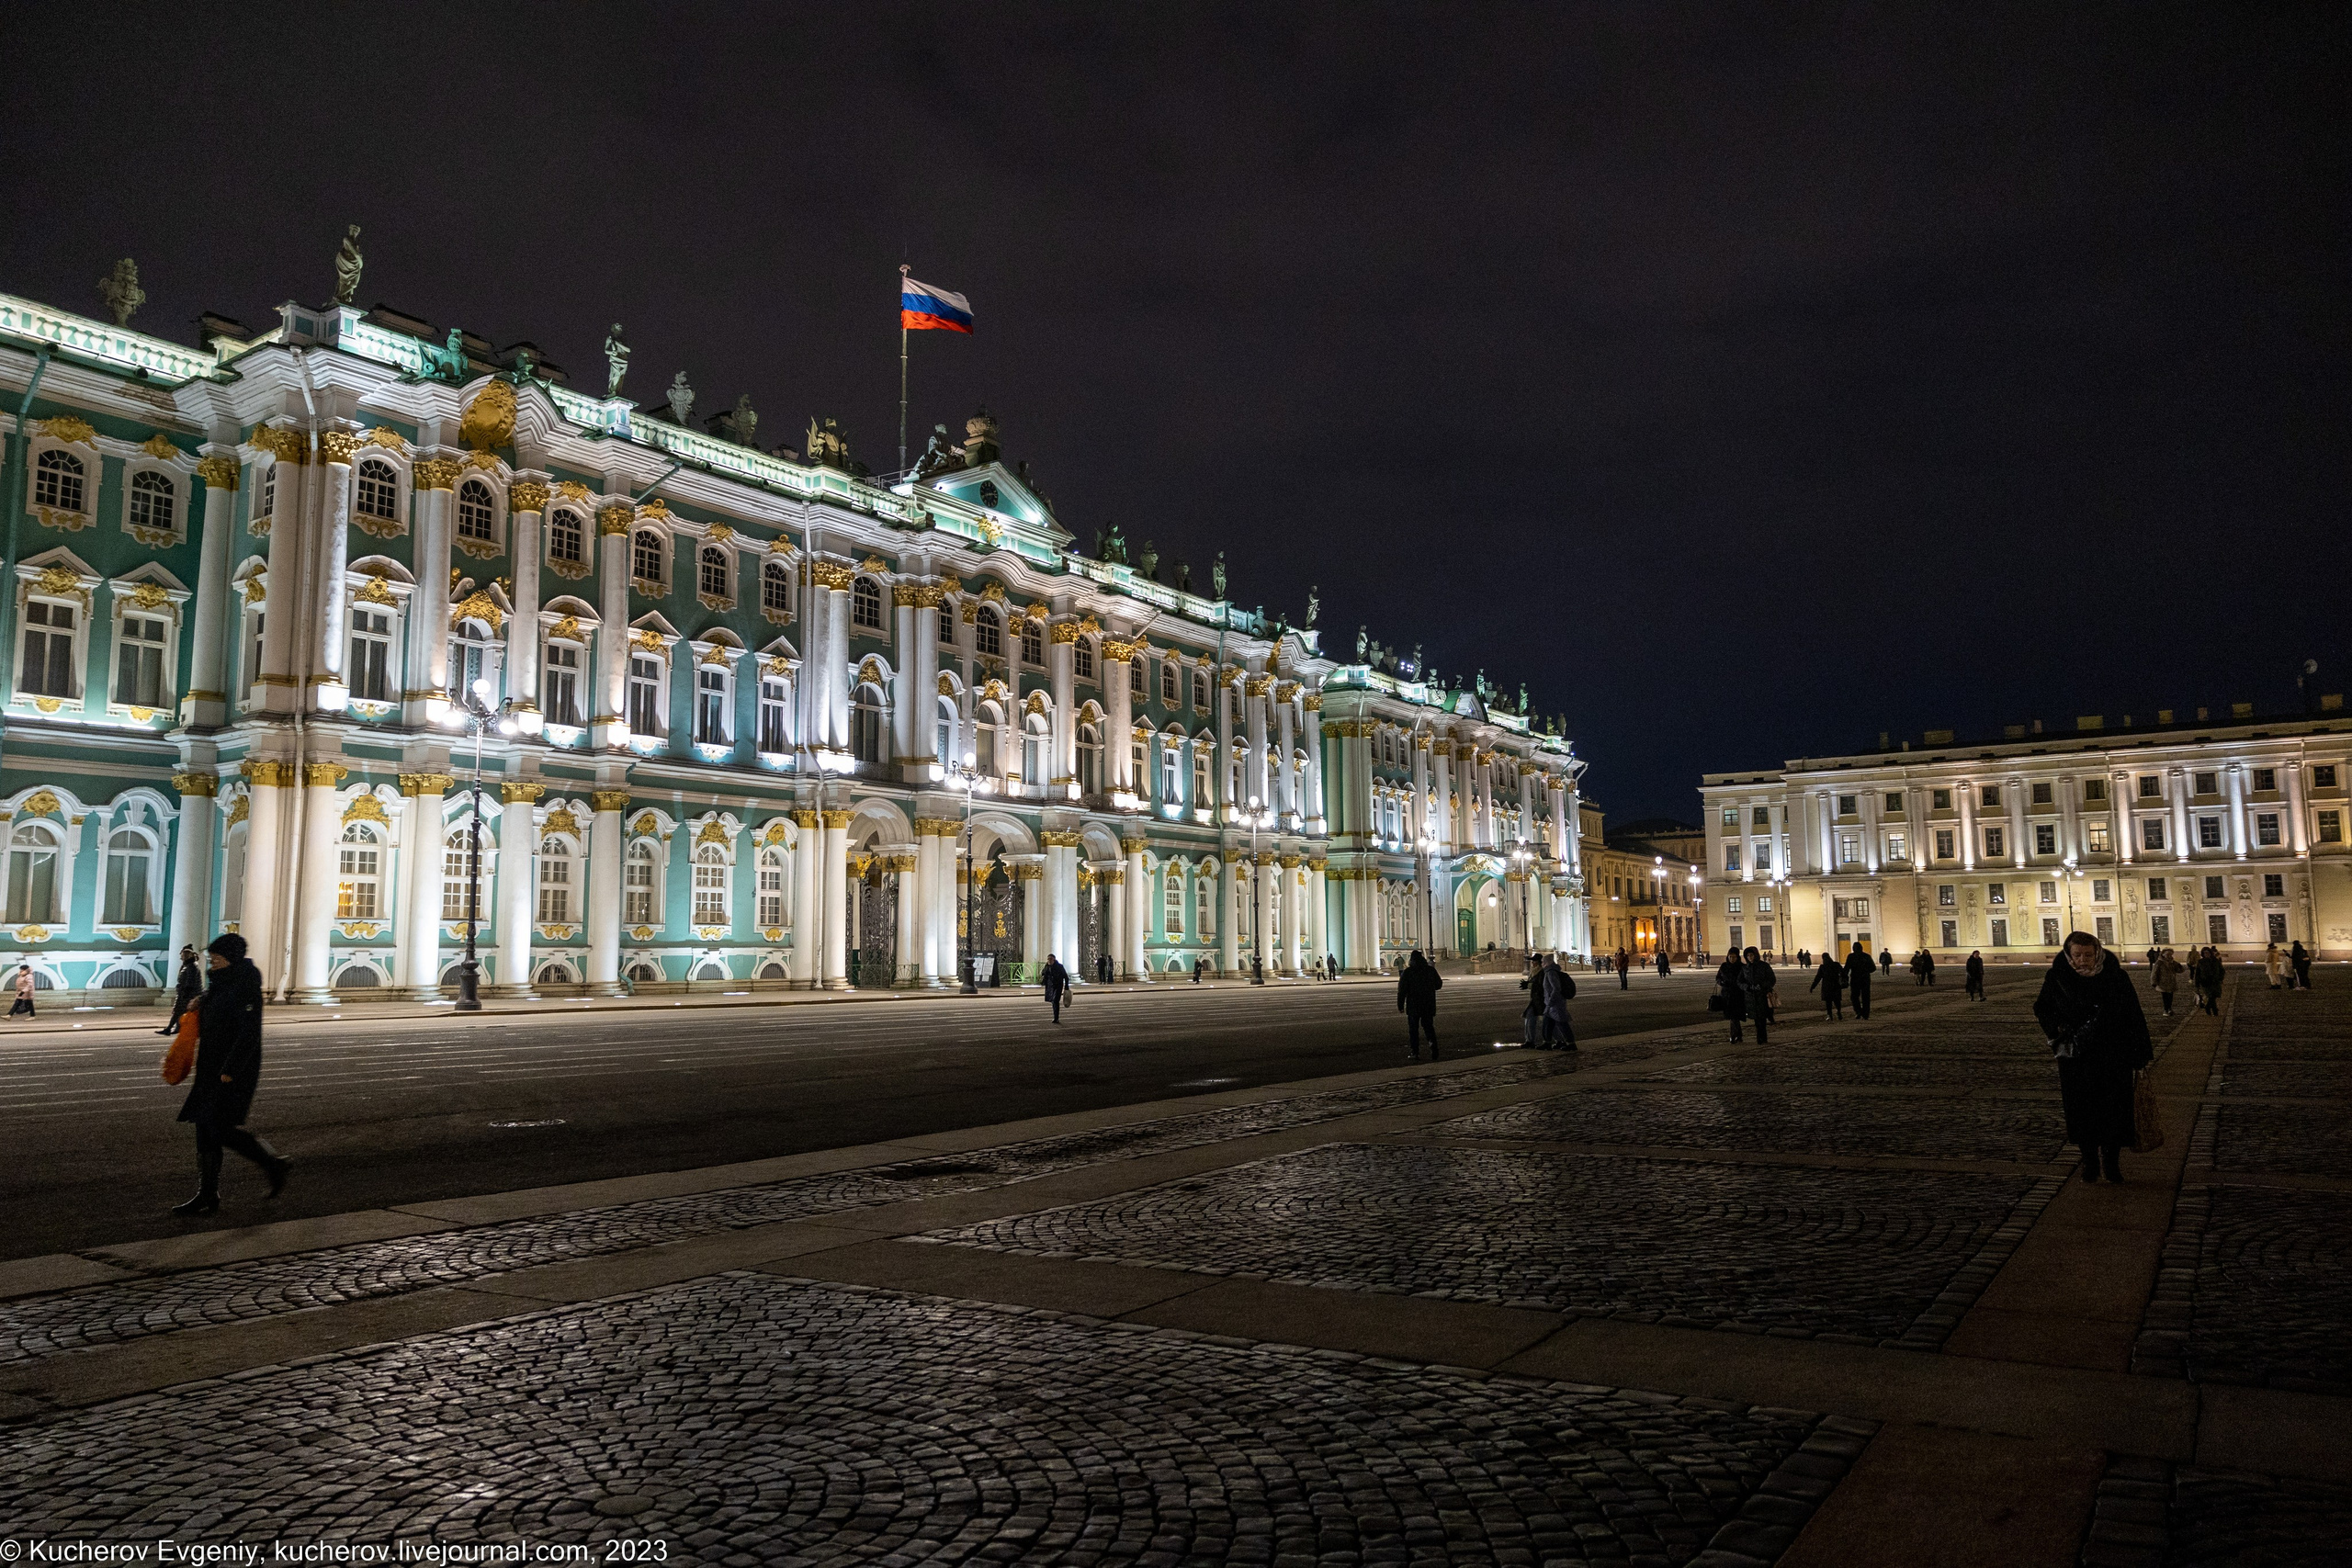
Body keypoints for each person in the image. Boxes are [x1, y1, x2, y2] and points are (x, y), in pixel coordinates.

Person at [172, 933, 288, 1216]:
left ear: (232, 959)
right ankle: (207, 1194)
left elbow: (249, 1032)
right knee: (204, 1126)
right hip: (211, 1066)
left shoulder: (246, 983)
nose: (212, 963)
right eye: (212, 958)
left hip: (231, 1071)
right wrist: (201, 1001)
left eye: (217, 959)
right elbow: (219, 1001)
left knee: (218, 1128)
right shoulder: (222, 981)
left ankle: (273, 1164)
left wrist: (231, 1071)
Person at [2034, 931, 2154, 1184]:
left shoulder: (2115, 976)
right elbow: (2042, 1007)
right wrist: (2057, 1029)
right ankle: (2089, 1162)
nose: (2083, 960)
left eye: (2088, 955)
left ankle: (2112, 1164)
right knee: (2082, 1110)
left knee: (2114, 1110)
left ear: (2097, 953)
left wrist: (2141, 1050)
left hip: (2114, 1054)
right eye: (2077, 955)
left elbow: (2133, 1013)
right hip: (2077, 1057)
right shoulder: (2057, 977)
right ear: (2069, 954)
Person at [1397, 949, 1442, 1059]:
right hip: (1428, 1004)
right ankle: (1433, 1048)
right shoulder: (1430, 970)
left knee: (1413, 1029)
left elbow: (1402, 990)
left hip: (1414, 1005)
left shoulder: (1408, 972)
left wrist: (1400, 1005)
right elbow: (1439, 985)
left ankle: (1415, 1052)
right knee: (1428, 1027)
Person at [157, 944, 202, 1035]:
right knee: (179, 1011)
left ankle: (169, 1029)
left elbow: (190, 981)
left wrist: (185, 993)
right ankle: (177, 1028)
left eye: (182, 955)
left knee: (178, 1011)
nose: (180, 957)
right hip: (185, 993)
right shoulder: (189, 965)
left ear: (186, 956)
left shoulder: (191, 966)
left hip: (187, 994)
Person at [1540, 954, 1577, 1049]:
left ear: (1547, 963)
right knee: (1547, 1022)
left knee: (1561, 1023)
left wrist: (1551, 1001)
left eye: (1543, 962)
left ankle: (1571, 1043)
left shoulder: (1550, 973)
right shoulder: (1551, 971)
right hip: (1552, 1002)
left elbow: (1556, 988)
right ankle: (1547, 1042)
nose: (1542, 964)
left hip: (1555, 1003)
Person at [1743, 945, 1777, 1044]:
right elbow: (1740, 981)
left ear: (1755, 955)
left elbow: (1772, 979)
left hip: (1763, 996)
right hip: (1751, 997)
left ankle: (1762, 1038)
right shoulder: (1745, 968)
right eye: (1748, 955)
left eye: (1751, 955)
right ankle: (1761, 1037)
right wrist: (1748, 987)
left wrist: (1762, 986)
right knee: (1756, 1019)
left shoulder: (1764, 966)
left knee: (1762, 1019)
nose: (1750, 957)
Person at [1714, 950, 1748, 1042]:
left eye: (1734, 957)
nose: (1732, 959)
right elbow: (1718, 977)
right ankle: (1738, 1035)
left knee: (1734, 1016)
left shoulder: (1741, 967)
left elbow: (1745, 980)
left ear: (1737, 957)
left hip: (1738, 995)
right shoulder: (1724, 966)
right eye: (1730, 957)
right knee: (1733, 1017)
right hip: (1727, 995)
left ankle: (1733, 1036)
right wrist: (1721, 982)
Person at [1809, 950, 1845, 1019]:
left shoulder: (1823, 967)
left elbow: (1818, 978)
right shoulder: (1836, 964)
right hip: (1835, 985)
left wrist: (1813, 987)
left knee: (1828, 1001)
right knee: (1837, 1000)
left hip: (1827, 986)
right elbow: (1843, 973)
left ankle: (1830, 1014)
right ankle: (1838, 1012)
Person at [1845, 944, 1875, 1019]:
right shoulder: (1866, 956)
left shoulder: (1851, 956)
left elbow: (1847, 968)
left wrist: (1844, 976)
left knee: (1854, 996)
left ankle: (1858, 1011)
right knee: (1865, 997)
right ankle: (1865, 1014)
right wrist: (1866, 971)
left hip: (1855, 979)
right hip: (1865, 979)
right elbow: (1873, 968)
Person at [1041, 953, 1070, 1022]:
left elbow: (1066, 977)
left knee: (1055, 1001)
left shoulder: (1059, 967)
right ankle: (1055, 1017)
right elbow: (1043, 974)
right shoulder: (1047, 967)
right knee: (1053, 1001)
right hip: (1050, 986)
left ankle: (1056, 1018)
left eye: (1051, 959)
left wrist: (1066, 986)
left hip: (1058, 986)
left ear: (1054, 959)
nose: (1049, 960)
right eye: (1048, 959)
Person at [2193, 945, 2223, 1015]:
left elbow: (2222, 970)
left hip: (2215, 982)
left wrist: (2220, 978)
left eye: (2208, 953)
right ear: (2203, 954)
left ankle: (2208, 1007)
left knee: (2214, 996)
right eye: (2205, 953)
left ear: (2210, 953)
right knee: (2210, 996)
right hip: (2205, 982)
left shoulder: (2215, 961)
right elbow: (2197, 974)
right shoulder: (2201, 962)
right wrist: (2197, 984)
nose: (2207, 954)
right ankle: (2215, 1011)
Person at [2152, 947, 2181, 1017]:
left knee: (2170, 996)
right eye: (2168, 955)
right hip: (2163, 983)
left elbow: (2180, 970)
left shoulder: (2173, 962)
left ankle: (2170, 1009)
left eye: (2170, 955)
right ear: (2163, 955)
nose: (2169, 956)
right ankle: (2166, 1009)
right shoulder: (2159, 962)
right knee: (2165, 997)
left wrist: (2179, 965)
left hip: (2171, 982)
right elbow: (2154, 973)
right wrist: (2154, 982)